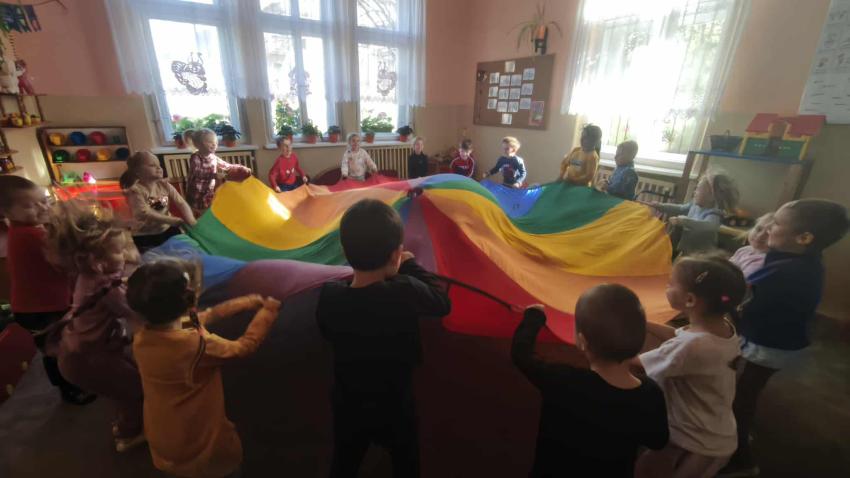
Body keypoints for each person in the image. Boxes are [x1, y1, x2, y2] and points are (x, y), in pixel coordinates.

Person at [316, 199, 451, 477]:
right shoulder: (404, 290)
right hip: (395, 406)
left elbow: (327, 332)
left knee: (344, 461)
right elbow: (441, 301)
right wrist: (410, 265)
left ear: (345, 251)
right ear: (395, 255)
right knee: (406, 463)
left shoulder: (330, 296)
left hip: (348, 404)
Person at [719, 199, 849, 478]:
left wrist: (720, 299)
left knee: (742, 398)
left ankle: (741, 459)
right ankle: (738, 431)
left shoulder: (786, 272)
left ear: (803, 238)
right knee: (746, 390)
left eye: (776, 224)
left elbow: (739, 298)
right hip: (776, 341)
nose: (768, 229)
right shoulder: (801, 260)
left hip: (768, 346)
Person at [128, 260, 281, 478]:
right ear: (187, 298)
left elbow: (197, 320)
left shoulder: (144, 335)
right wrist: (268, 312)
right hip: (198, 441)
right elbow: (242, 347)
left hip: (161, 431)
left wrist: (243, 303)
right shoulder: (196, 345)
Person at [512, 285, 669, 477]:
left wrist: (534, 315)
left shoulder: (563, 381)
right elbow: (658, 441)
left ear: (582, 341)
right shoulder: (650, 393)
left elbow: (522, 356)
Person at [42, 201, 146, 452]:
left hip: (80, 352)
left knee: (125, 382)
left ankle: (123, 422)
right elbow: (136, 313)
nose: (125, 255)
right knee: (136, 389)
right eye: (119, 251)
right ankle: (128, 434)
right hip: (88, 358)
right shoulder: (106, 288)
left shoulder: (88, 275)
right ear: (97, 262)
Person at [635, 255, 746, 478]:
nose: (666, 287)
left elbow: (638, 365)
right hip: (712, 431)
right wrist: (642, 322)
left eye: (670, 284)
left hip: (698, 442)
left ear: (689, 300)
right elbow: (678, 335)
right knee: (649, 466)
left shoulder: (692, 347)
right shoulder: (721, 328)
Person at [0, 176, 95, 405]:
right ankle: (69, 388)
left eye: (44, 201)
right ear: (6, 212)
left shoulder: (25, 230)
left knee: (57, 346)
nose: (42, 208)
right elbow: (65, 259)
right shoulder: (31, 235)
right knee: (59, 349)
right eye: (29, 206)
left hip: (38, 305)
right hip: (41, 309)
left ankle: (72, 381)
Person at [645, 172, 740, 255]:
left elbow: (709, 226)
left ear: (711, 197)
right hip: (687, 248)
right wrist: (660, 206)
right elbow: (680, 208)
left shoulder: (713, 213)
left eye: (698, 189)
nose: (695, 192)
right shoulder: (694, 205)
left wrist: (684, 221)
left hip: (701, 254)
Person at [121, 151, 196, 252]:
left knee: (183, 249)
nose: (159, 168)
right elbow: (143, 212)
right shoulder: (136, 191)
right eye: (152, 165)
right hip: (145, 236)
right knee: (155, 258)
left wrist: (191, 220)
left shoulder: (165, 185)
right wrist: (171, 220)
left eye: (159, 165)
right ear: (137, 171)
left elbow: (181, 203)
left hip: (166, 229)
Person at [185, 128, 252, 216]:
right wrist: (215, 175)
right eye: (210, 142)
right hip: (196, 192)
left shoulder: (213, 157)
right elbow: (198, 173)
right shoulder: (196, 157)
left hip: (208, 191)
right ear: (198, 144)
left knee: (208, 210)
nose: (214, 145)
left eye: (216, 142)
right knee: (200, 213)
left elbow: (226, 165)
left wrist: (240, 168)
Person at [729, 212, 774, 278]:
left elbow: (742, 280)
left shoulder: (762, 261)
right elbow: (728, 266)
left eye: (768, 234)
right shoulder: (744, 250)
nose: (760, 236)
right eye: (759, 229)